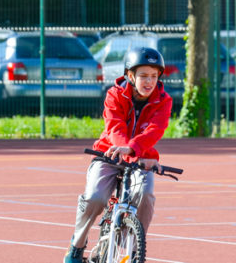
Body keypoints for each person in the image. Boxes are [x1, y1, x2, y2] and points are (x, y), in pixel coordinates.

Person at [64, 47, 172, 263]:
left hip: (142, 158)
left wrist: (134, 151)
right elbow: (115, 127)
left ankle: (133, 249)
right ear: (130, 76)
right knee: (95, 197)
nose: (149, 82)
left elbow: (155, 130)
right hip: (109, 154)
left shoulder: (164, 100)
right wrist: (124, 148)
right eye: (143, 76)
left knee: (146, 195)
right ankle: (77, 246)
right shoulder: (114, 95)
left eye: (153, 76)